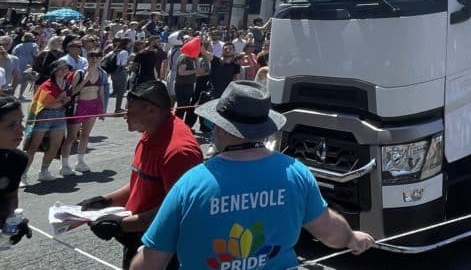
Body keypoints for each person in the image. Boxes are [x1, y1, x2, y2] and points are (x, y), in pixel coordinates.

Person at [130, 81, 375, 269]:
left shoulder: (193, 183)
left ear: (221, 128)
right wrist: (352, 238)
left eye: (213, 125)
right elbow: (329, 231)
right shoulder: (295, 172)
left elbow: (151, 262)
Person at [79, 81, 203, 269]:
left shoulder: (179, 152)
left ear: (151, 111)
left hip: (161, 248)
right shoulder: (151, 131)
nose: (124, 114)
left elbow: (175, 212)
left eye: (130, 109)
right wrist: (106, 200)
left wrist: (121, 225)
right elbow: (142, 179)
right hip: (138, 234)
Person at [23, 59, 71, 183]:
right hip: (44, 116)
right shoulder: (46, 85)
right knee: (33, 146)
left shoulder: (67, 84)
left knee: (55, 146)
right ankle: (23, 174)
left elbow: (64, 101)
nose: (64, 71)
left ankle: (44, 171)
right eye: (60, 68)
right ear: (54, 71)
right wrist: (60, 100)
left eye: (66, 68)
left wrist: (60, 101)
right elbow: (45, 104)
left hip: (60, 116)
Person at [60, 49, 106, 174]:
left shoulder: (101, 73)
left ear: (101, 58)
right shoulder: (79, 73)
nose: (94, 58)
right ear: (88, 57)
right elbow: (73, 92)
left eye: (97, 56)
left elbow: (101, 92)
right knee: (71, 137)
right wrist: (85, 80)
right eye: (92, 56)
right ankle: (64, 165)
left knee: (85, 135)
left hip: (93, 104)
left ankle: (80, 161)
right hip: (79, 105)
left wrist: (102, 109)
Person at [0, 96, 31, 246]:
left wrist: (13, 220)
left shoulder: (18, 159)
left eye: (21, 122)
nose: (21, 130)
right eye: (12, 125)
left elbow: (10, 196)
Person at [12, 33, 37, 99]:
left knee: (15, 80)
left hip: (17, 62)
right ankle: (20, 95)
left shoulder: (18, 45)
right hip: (28, 63)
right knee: (25, 80)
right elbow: (35, 54)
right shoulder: (34, 45)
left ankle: (12, 94)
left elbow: (13, 53)